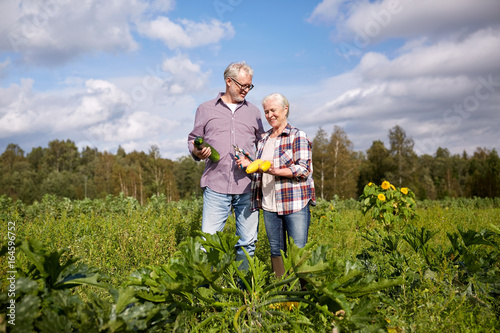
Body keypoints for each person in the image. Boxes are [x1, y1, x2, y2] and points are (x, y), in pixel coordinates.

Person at [188, 62, 265, 270]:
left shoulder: (255, 112)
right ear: (228, 81)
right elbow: (194, 139)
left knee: (247, 243)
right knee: (208, 244)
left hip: (247, 187)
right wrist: (197, 151)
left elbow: (263, 145)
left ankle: (244, 294)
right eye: (243, 85)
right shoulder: (205, 109)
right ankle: (206, 296)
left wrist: (255, 162)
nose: (246, 90)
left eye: (250, 86)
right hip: (216, 185)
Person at [237, 92, 316, 279]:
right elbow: (261, 168)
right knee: (276, 251)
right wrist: (249, 163)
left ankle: (305, 295)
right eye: (266, 112)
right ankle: (282, 294)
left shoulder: (298, 136)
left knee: (298, 250)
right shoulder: (263, 140)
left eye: (273, 110)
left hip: (294, 202)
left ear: (285, 109)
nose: (270, 115)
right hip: (269, 203)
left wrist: (275, 171)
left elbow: (304, 169)